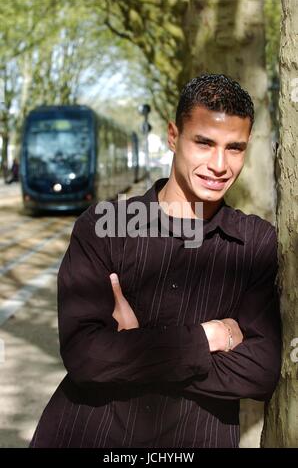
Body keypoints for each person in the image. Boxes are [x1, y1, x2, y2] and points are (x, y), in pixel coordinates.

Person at [29, 74, 281, 448]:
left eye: (234, 148)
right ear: (173, 136)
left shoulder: (256, 242)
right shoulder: (102, 226)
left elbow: (260, 371)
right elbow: (85, 357)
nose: (219, 164)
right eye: (204, 142)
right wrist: (210, 337)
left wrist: (135, 346)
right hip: (87, 435)